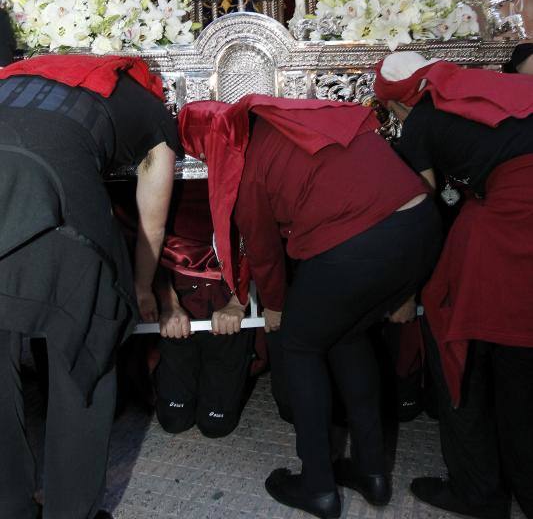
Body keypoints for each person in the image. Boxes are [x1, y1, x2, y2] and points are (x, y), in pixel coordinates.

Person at [178, 94, 442, 519]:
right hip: (421, 226)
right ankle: (372, 471)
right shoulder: (293, 119)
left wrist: (278, 307)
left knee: (299, 348)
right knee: (347, 336)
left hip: (360, 241)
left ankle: (318, 485)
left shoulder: (241, 160)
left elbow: (262, 250)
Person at [0, 53, 179, 519]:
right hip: (57, 212)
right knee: (86, 350)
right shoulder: (149, 107)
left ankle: (9, 505)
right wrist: (141, 289)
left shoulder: (12, 79)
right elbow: (151, 223)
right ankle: (69, 511)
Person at [374, 51, 533, 519]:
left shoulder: (420, 120)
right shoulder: (479, 81)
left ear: (397, 106)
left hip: (512, 226)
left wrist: (405, 293)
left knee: (461, 340)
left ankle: (479, 490)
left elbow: (420, 214)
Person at [153, 181, 254, 438]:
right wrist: (168, 304)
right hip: (176, 283)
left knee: (215, 423)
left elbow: (258, 234)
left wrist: (237, 302)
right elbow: (144, 234)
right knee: (174, 418)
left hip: (228, 286)